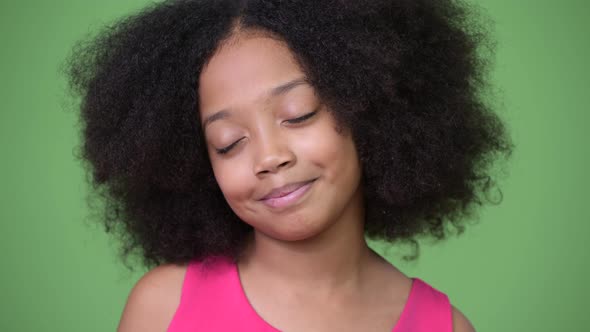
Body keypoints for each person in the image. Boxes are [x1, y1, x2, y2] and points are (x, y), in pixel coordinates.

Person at [64, 0, 512, 331]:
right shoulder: (163, 307)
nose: (269, 157)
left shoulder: (443, 326)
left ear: (370, 109)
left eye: (298, 114)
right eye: (229, 143)